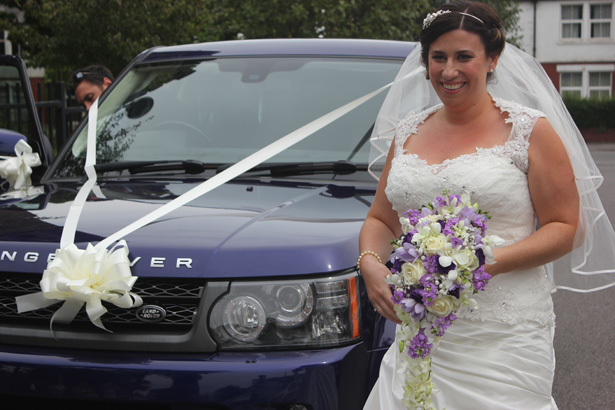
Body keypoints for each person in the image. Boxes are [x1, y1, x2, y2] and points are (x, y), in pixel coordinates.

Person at [359, 1, 615, 409]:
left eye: (464, 57)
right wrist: (371, 263)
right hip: (423, 323)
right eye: (438, 57)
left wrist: (481, 263)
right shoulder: (407, 132)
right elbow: (380, 219)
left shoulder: (529, 130)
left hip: (502, 332)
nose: (449, 70)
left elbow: (567, 226)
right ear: (424, 62)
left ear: (493, 59)